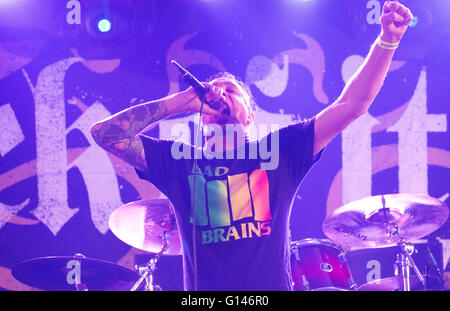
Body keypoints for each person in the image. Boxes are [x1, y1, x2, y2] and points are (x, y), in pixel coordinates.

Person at [90, 1, 413, 291]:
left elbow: (351, 105)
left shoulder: (283, 148)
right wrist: (182, 101)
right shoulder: (178, 162)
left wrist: (387, 41)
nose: (219, 95)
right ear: (201, 118)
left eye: (231, 91)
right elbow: (106, 134)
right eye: (212, 92)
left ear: (250, 115)